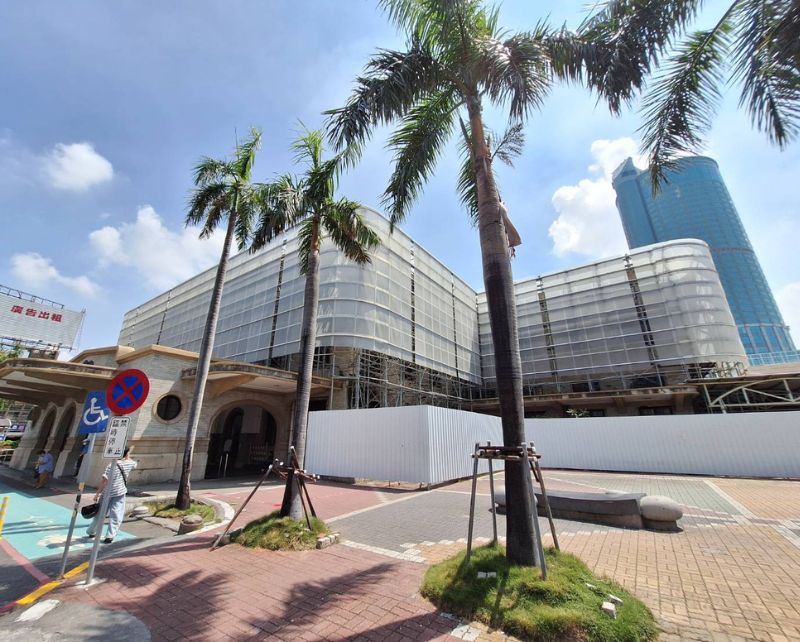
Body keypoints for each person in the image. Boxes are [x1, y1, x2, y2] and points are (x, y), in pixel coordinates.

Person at [86, 446, 137, 544]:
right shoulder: (129, 464)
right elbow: (135, 464)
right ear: (126, 454)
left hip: (107, 492)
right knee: (116, 514)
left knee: (100, 513)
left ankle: (91, 531)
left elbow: (104, 481)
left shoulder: (111, 465)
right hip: (120, 492)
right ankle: (110, 535)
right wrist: (128, 455)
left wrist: (97, 494)